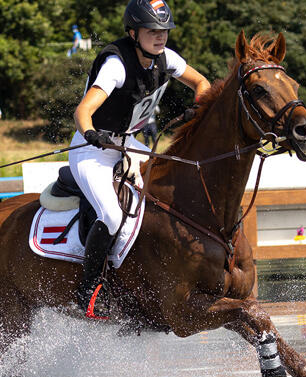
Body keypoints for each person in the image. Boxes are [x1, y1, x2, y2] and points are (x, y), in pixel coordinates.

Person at [70, 0, 211, 317]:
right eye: (152, 31)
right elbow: (82, 111)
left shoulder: (167, 59)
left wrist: (200, 105)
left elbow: (202, 83)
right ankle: (89, 292)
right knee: (111, 214)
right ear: (133, 33)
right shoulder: (116, 65)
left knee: (168, 192)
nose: (160, 37)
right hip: (92, 149)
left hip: (127, 143)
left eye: (164, 31)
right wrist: (92, 133)